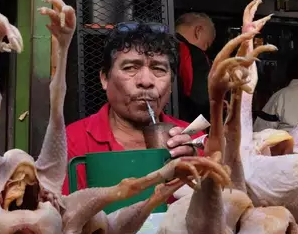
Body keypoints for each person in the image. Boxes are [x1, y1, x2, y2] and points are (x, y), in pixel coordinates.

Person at [62, 22, 205, 194]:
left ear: (171, 85)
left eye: (158, 69)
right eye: (130, 68)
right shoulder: (73, 140)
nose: (146, 81)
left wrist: (199, 170)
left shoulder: (194, 138)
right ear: (105, 79)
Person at [175, 12, 216, 122]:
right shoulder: (194, 53)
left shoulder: (159, 45)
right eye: (206, 44)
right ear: (198, 31)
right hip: (184, 125)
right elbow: (202, 99)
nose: (205, 49)